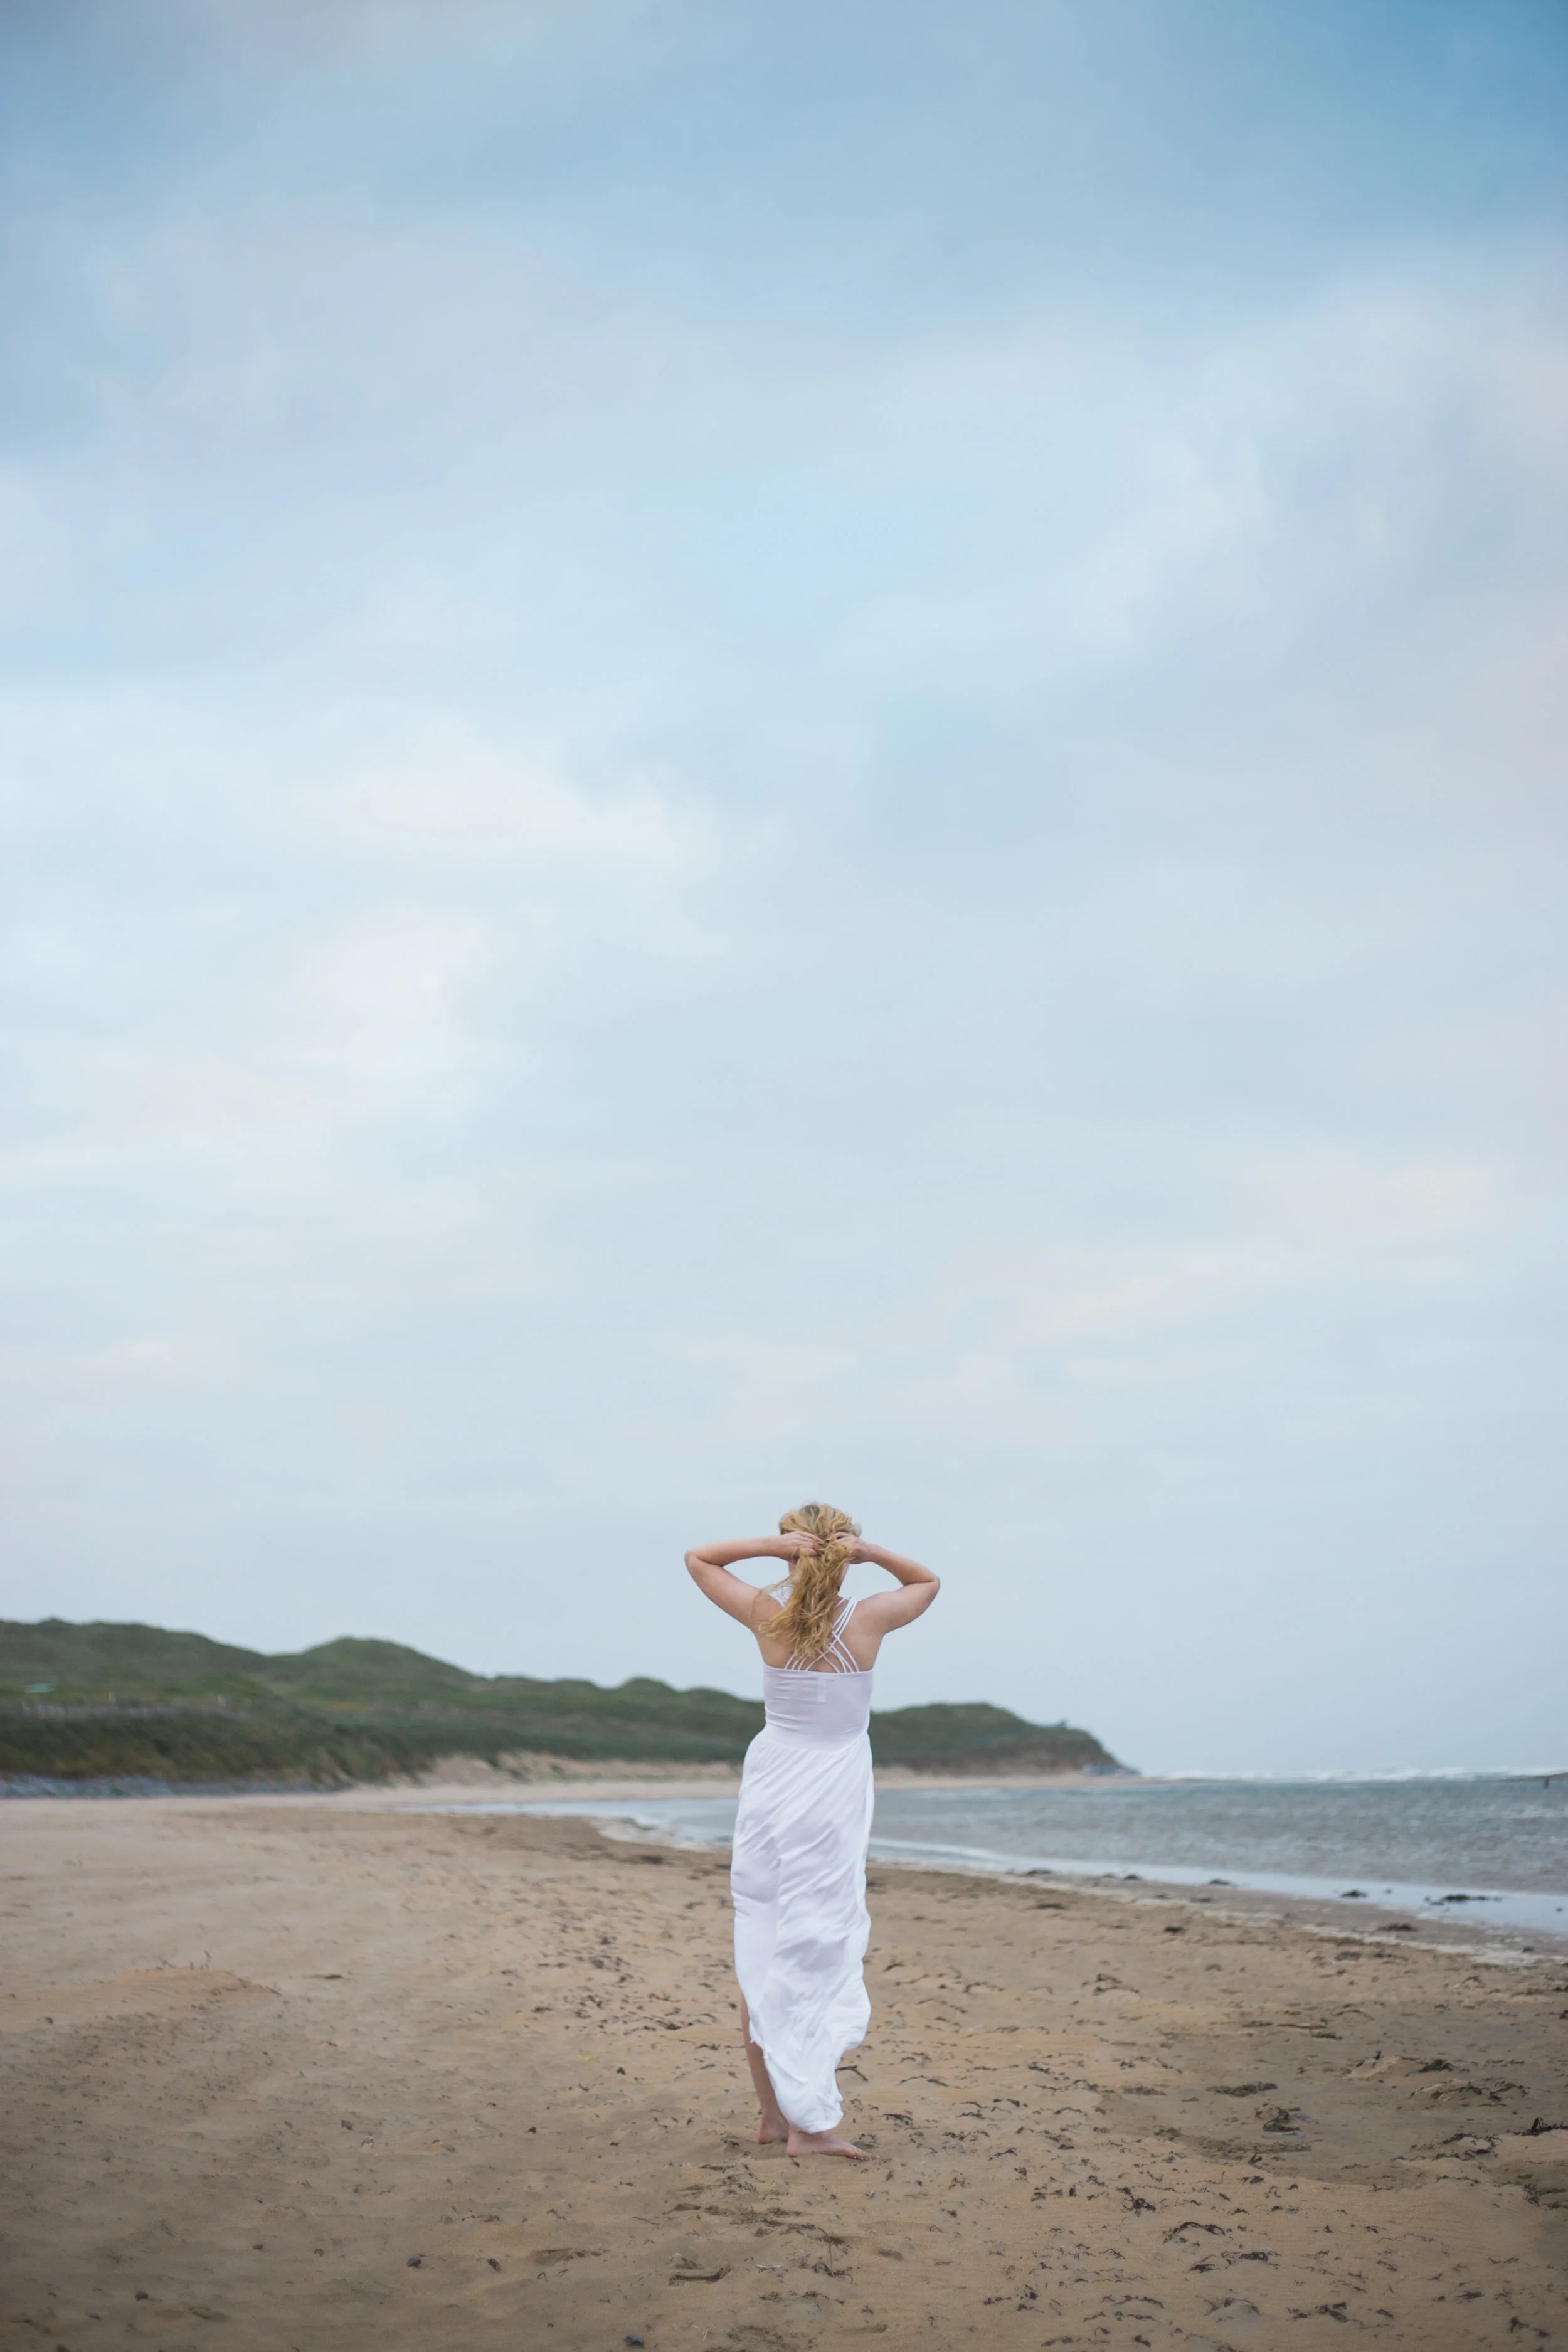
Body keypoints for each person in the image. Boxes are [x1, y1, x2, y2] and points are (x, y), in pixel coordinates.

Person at [684, 1504, 941, 2159]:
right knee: (814, 1945)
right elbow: (927, 1582)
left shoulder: (768, 1616)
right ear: (842, 1550)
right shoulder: (870, 1618)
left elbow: (699, 1559)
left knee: (765, 1943)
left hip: (773, 1784)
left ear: (793, 1551)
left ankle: (775, 2117)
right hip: (830, 1793)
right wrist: (873, 1553)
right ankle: (807, 2126)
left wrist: (769, 1547)